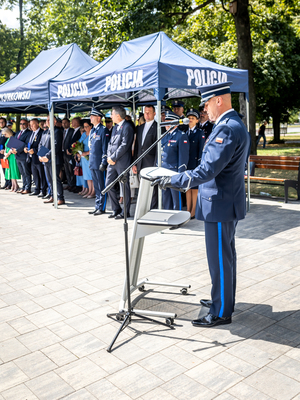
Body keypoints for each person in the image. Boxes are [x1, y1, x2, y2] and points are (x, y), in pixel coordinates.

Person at [153, 81, 250, 328]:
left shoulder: (227, 129)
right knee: (225, 257)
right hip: (224, 202)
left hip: (219, 204)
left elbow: (207, 170)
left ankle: (221, 312)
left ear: (219, 100)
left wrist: (172, 179)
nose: (205, 110)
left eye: (206, 103)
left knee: (220, 258)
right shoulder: (232, 124)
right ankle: (223, 301)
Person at [106, 106, 134, 219]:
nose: (111, 116)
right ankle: (116, 209)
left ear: (118, 115)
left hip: (122, 161)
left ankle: (126, 212)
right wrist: (109, 156)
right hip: (112, 161)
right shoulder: (115, 127)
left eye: (112, 114)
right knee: (108, 185)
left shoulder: (127, 127)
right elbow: (110, 143)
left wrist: (113, 157)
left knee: (124, 187)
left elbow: (125, 145)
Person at [160, 111, 189, 210]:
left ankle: (177, 217)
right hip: (164, 170)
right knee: (166, 195)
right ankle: (167, 215)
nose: (166, 124)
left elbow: (183, 156)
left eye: (169, 121)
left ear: (175, 123)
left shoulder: (181, 136)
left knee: (175, 197)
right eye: (166, 121)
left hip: (174, 172)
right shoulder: (164, 135)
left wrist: (181, 173)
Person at [132, 105, 158, 208]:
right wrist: (134, 163)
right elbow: (137, 146)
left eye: (149, 112)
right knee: (142, 188)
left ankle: (153, 209)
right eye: (145, 112)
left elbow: (157, 148)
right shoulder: (140, 128)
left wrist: (156, 164)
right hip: (140, 162)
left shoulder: (157, 127)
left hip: (151, 162)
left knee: (153, 189)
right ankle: (143, 208)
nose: (146, 114)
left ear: (154, 113)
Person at [87, 109, 110, 216]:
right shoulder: (92, 130)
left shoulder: (103, 130)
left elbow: (105, 148)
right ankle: (97, 206)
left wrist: (104, 162)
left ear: (99, 118)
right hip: (93, 162)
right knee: (96, 186)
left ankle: (102, 207)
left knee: (102, 186)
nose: (90, 118)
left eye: (92, 116)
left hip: (99, 162)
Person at [39, 115, 65, 205]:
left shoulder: (57, 132)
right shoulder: (45, 132)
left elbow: (56, 146)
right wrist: (40, 155)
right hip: (45, 160)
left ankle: (60, 198)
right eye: (47, 120)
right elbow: (41, 144)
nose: (47, 121)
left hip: (54, 160)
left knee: (55, 179)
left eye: (50, 120)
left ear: (54, 122)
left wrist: (47, 156)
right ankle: (53, 196)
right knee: (49, 179)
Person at [186, 108, 206, 218]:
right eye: (189, 118)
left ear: (197, 120)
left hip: (195, 164)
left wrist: (199, 165)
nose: (190, 120)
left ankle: (194, 210)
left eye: (193, 118)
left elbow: (201, 150)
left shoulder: (200, 133)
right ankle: (188, 209)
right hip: (187, 164)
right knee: (188, 188)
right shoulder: (185, 133)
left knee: (194, 188)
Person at [24, 118, 46, 196]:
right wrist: (26, 148)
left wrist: (35, 150)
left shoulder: (42, 133)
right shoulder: (31, 133)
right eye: (30, 125)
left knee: (41, 175)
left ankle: (43, 190)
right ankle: (37, 189)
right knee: (35, 174)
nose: (31, 126)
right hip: (31, 157)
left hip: (38, 157)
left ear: (37, 124)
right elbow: (28, 143)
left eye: (33, 124)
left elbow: (43, 145)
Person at [12, 118, 32, 194]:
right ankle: (24, 187)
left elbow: (25, 144)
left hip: (23, 156)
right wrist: (13, 149)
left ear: (27, 124)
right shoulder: (17, 133)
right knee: (22, 173)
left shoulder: (29, 133)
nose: (22, 125)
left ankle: (28, 188)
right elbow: (14, 142)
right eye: (21, 123)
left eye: (24, 123)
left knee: (26, 172)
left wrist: (16, 150)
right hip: (17, 156)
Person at [77, 119, 95, 198]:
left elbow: (94, 147)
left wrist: (86, 153)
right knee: (87, 176)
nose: (85, 128)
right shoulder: (84, 134)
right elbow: (78, 143)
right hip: (84, 158)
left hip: (90, 157)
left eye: (87, 126)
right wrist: (78, 152)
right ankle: (89, 190)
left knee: (92, 175)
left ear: (91, 126)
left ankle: (93, 191)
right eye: (84, 127)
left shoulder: (93, 134)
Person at [0, 127, 21, 192]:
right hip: (8, 157)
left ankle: (15, 185)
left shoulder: (13, 138)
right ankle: (14, 185)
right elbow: (6, 147)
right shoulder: (8, 139)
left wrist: (7, 154)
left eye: (5, 134)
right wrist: (5, 153)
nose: (4, 136)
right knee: (10, 172)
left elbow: (12, 148)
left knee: (13, 171)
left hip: (12, 157)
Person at [0, 117, 10, 189]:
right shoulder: (0, 131)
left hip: (4, 153)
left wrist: (5, 149)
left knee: (5, 168)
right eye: (0, 122)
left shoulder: (8, 131)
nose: (1, 124)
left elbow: (11, 140)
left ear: (6, 123)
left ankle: (8, 183)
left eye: (2, 122)